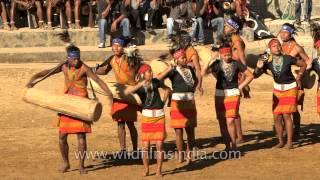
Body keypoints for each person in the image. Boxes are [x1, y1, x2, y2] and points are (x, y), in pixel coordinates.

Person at [26, 45, 113, 174]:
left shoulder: (84, 68)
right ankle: (66, 163)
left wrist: (109, 94)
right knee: (62, 136)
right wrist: (33, 79)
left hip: (81, 105)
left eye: (78, 58)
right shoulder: (63, 66)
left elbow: (98, 80)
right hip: (66, 104)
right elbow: (47, 73)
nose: (77, 61)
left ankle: (81, 166)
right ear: (69, 59)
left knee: (81, 137)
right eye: (75, 59)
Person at [253, 39, 306, 149]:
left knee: (287, 115)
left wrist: (299, 76)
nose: (277, 48)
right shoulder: (267, 61)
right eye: (274, 46)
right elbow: (255, 75)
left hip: (290, 88)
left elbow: (303, 64)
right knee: (276, 116)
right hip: (277, 90)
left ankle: (289, 142)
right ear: (270, 49)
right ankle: (281, 141)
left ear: (281, 47)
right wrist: (258, 67)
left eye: (278, 46)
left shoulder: (287, 58)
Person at [95, 37, 141, 155]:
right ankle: (123, 150)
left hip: (130, 93)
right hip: (119, 93)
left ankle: (135, 150)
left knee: (130, 123)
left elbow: (138, 68)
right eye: (114, 45)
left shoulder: (129, 57)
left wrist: (132, 56)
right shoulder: (111, 59)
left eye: (118, 45)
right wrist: (92, 70)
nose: (115, 47)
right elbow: (104, 71)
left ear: (123, 47)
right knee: (120, 123)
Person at [203, 45, 253, 150]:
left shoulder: (236, 63)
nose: (227, 57)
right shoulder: (216, 64)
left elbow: (250, 75)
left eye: (229, 54)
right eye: (225, 55)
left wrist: (240, 86)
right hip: (219, 94)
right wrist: (209, 61)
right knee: (222, 121)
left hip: (233, 93)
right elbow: (203, 73)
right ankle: (227, 146)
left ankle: (234, 145)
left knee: (230, 120)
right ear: (220, 55)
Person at [125, 63, 170, 177]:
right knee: (146, 146)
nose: (151, 73)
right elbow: (127, 92)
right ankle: (146, 170)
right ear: (143, 74)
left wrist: (163, 102)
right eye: (149, 71)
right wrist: (140, 84)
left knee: (159, 145)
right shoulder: (140, 87)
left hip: (159, 116)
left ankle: (159, 171)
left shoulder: (155, 82)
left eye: (151, 71)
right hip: (147, 118)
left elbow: (167, 89)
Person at [157, 48, 198, 163]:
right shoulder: (173, 70)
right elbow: (158, 79)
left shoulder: (190, 69)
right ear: (176, 60)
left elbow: (195, 81)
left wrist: (192, 91)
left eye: (185, 57)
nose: (184, 59)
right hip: (177, 103)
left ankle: (189, 155)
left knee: (190, 131)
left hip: (189, 102)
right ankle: (181, 155)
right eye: (182, 58)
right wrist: (166, 87)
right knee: (179, 131)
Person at [279, 23, 311, 140]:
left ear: (291, 33)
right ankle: (286, 131)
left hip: (295, 81)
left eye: (285, 32)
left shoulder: (297, 47)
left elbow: (307, 61)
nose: (283, 34)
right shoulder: (280, 46)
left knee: (293, 108)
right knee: (282, 107)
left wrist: (300, 75)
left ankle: (296, 131)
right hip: (282, 81)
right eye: (281, 32)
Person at [221, 15, 248, 143]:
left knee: (234, 109)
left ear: (233, 28)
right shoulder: (232, 40)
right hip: (233, 74)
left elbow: (242, 62)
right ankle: (238, 135)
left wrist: (243, 83)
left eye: (227, 26)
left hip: (237, 76)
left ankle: (240, 136)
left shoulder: (237, 41)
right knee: (233, 108)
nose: (225, 27)